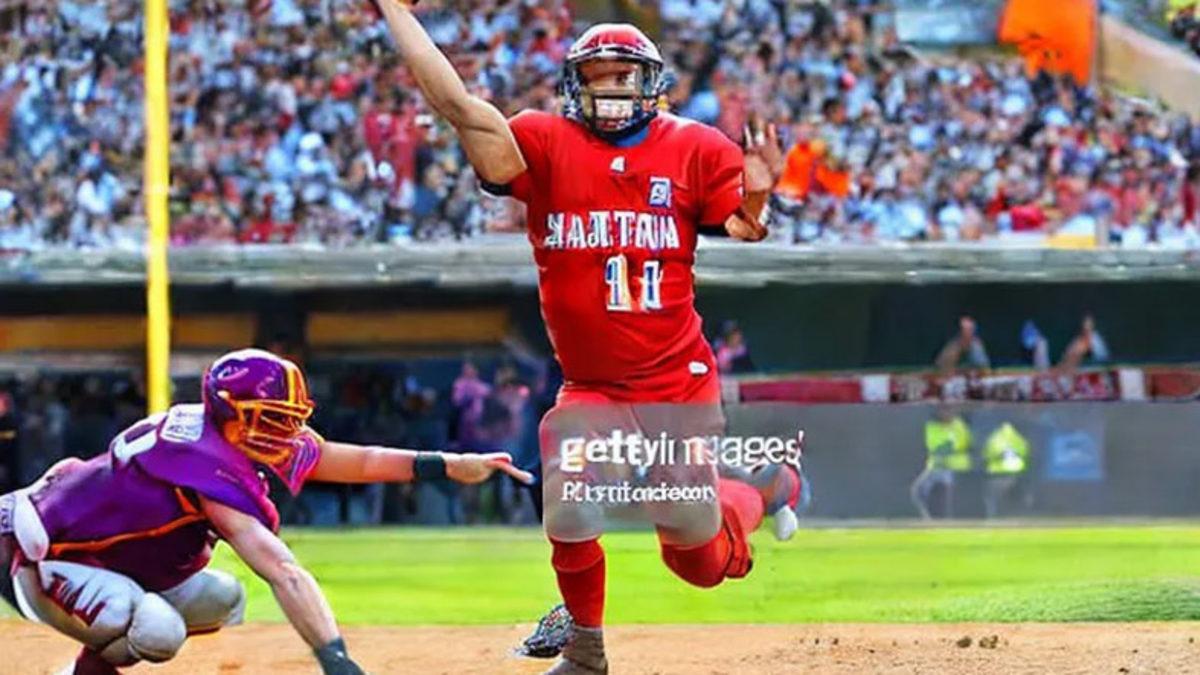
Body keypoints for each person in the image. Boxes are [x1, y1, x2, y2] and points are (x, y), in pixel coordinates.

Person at [368, 7, 802, 673]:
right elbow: (457, 105)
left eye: (622, 76)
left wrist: (761, 199)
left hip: (674, 382)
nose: (609, 89)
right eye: (596, 77)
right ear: (574, 84)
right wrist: (392, 8)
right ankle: (587, 651)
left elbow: (743, 231)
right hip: (592, 383)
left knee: (696, 559)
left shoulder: (696, 146)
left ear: (651, 82)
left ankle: (766, 491)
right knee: (565, 486)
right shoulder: (543, 141)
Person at [0, 349, 531, 675]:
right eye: (273, 418)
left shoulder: (224, 433)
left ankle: (92, 662)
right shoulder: (204, 464)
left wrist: (448, 464)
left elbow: (356, 459)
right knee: (158, 631)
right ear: (234, 416)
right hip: (45, 558)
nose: (287, 432)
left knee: (222, 598)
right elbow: (280, 567)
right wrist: (336, 659)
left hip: (116, 559)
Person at [910, 405, 972, 520]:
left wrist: (950, 446)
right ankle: (928, 519)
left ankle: (947, 521)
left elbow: (963, 443)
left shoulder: (959, 425)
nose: (946, 413)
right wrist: (945, 446)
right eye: (943, 410)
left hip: (954, 466)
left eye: (949, 410)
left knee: (946, 497)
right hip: (936, 466)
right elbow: (933, 444)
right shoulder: (932, 426)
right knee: (918, 491)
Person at [981, 422, 1031, 519]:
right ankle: (1017, 518)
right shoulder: (1019, 438)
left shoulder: (994, 438)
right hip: (1017, 473)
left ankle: (992, 517)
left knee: (991, 498)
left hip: (998, 474)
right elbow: (1026, 453)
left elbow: (986, 454)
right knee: (1014, 499)